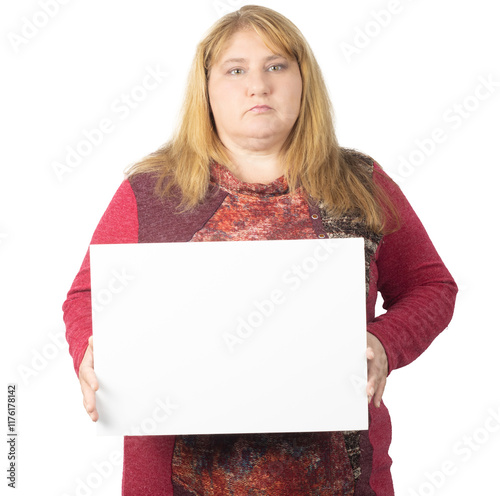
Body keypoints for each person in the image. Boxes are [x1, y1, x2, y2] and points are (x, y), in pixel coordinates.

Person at [63, 5, 458, 495]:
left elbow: (430, 286)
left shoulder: (361, 183)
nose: (258, 85)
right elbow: (86, 296)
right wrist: (91, 352)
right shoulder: (151, 191)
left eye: (277, 66)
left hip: (344, 479)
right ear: (205, 90)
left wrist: (382, 343)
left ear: (302, 79)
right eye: (235, 70)